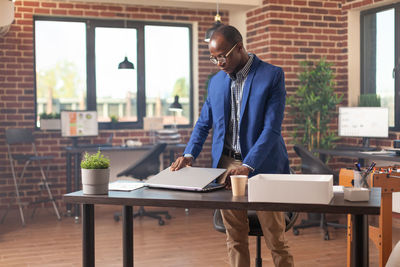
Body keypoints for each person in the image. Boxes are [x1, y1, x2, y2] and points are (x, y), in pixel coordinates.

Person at [170, 25, 294, 267]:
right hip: (227, 166)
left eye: (222, 56)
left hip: (264, 164)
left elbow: (271, 130)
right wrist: (189, 154)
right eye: (213, 58)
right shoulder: (216, 83)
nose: (218, 63)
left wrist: (248, 165)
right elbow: (203, 123)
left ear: (239, 48)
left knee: (276, 239)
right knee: (234, 237)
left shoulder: (272, 75)